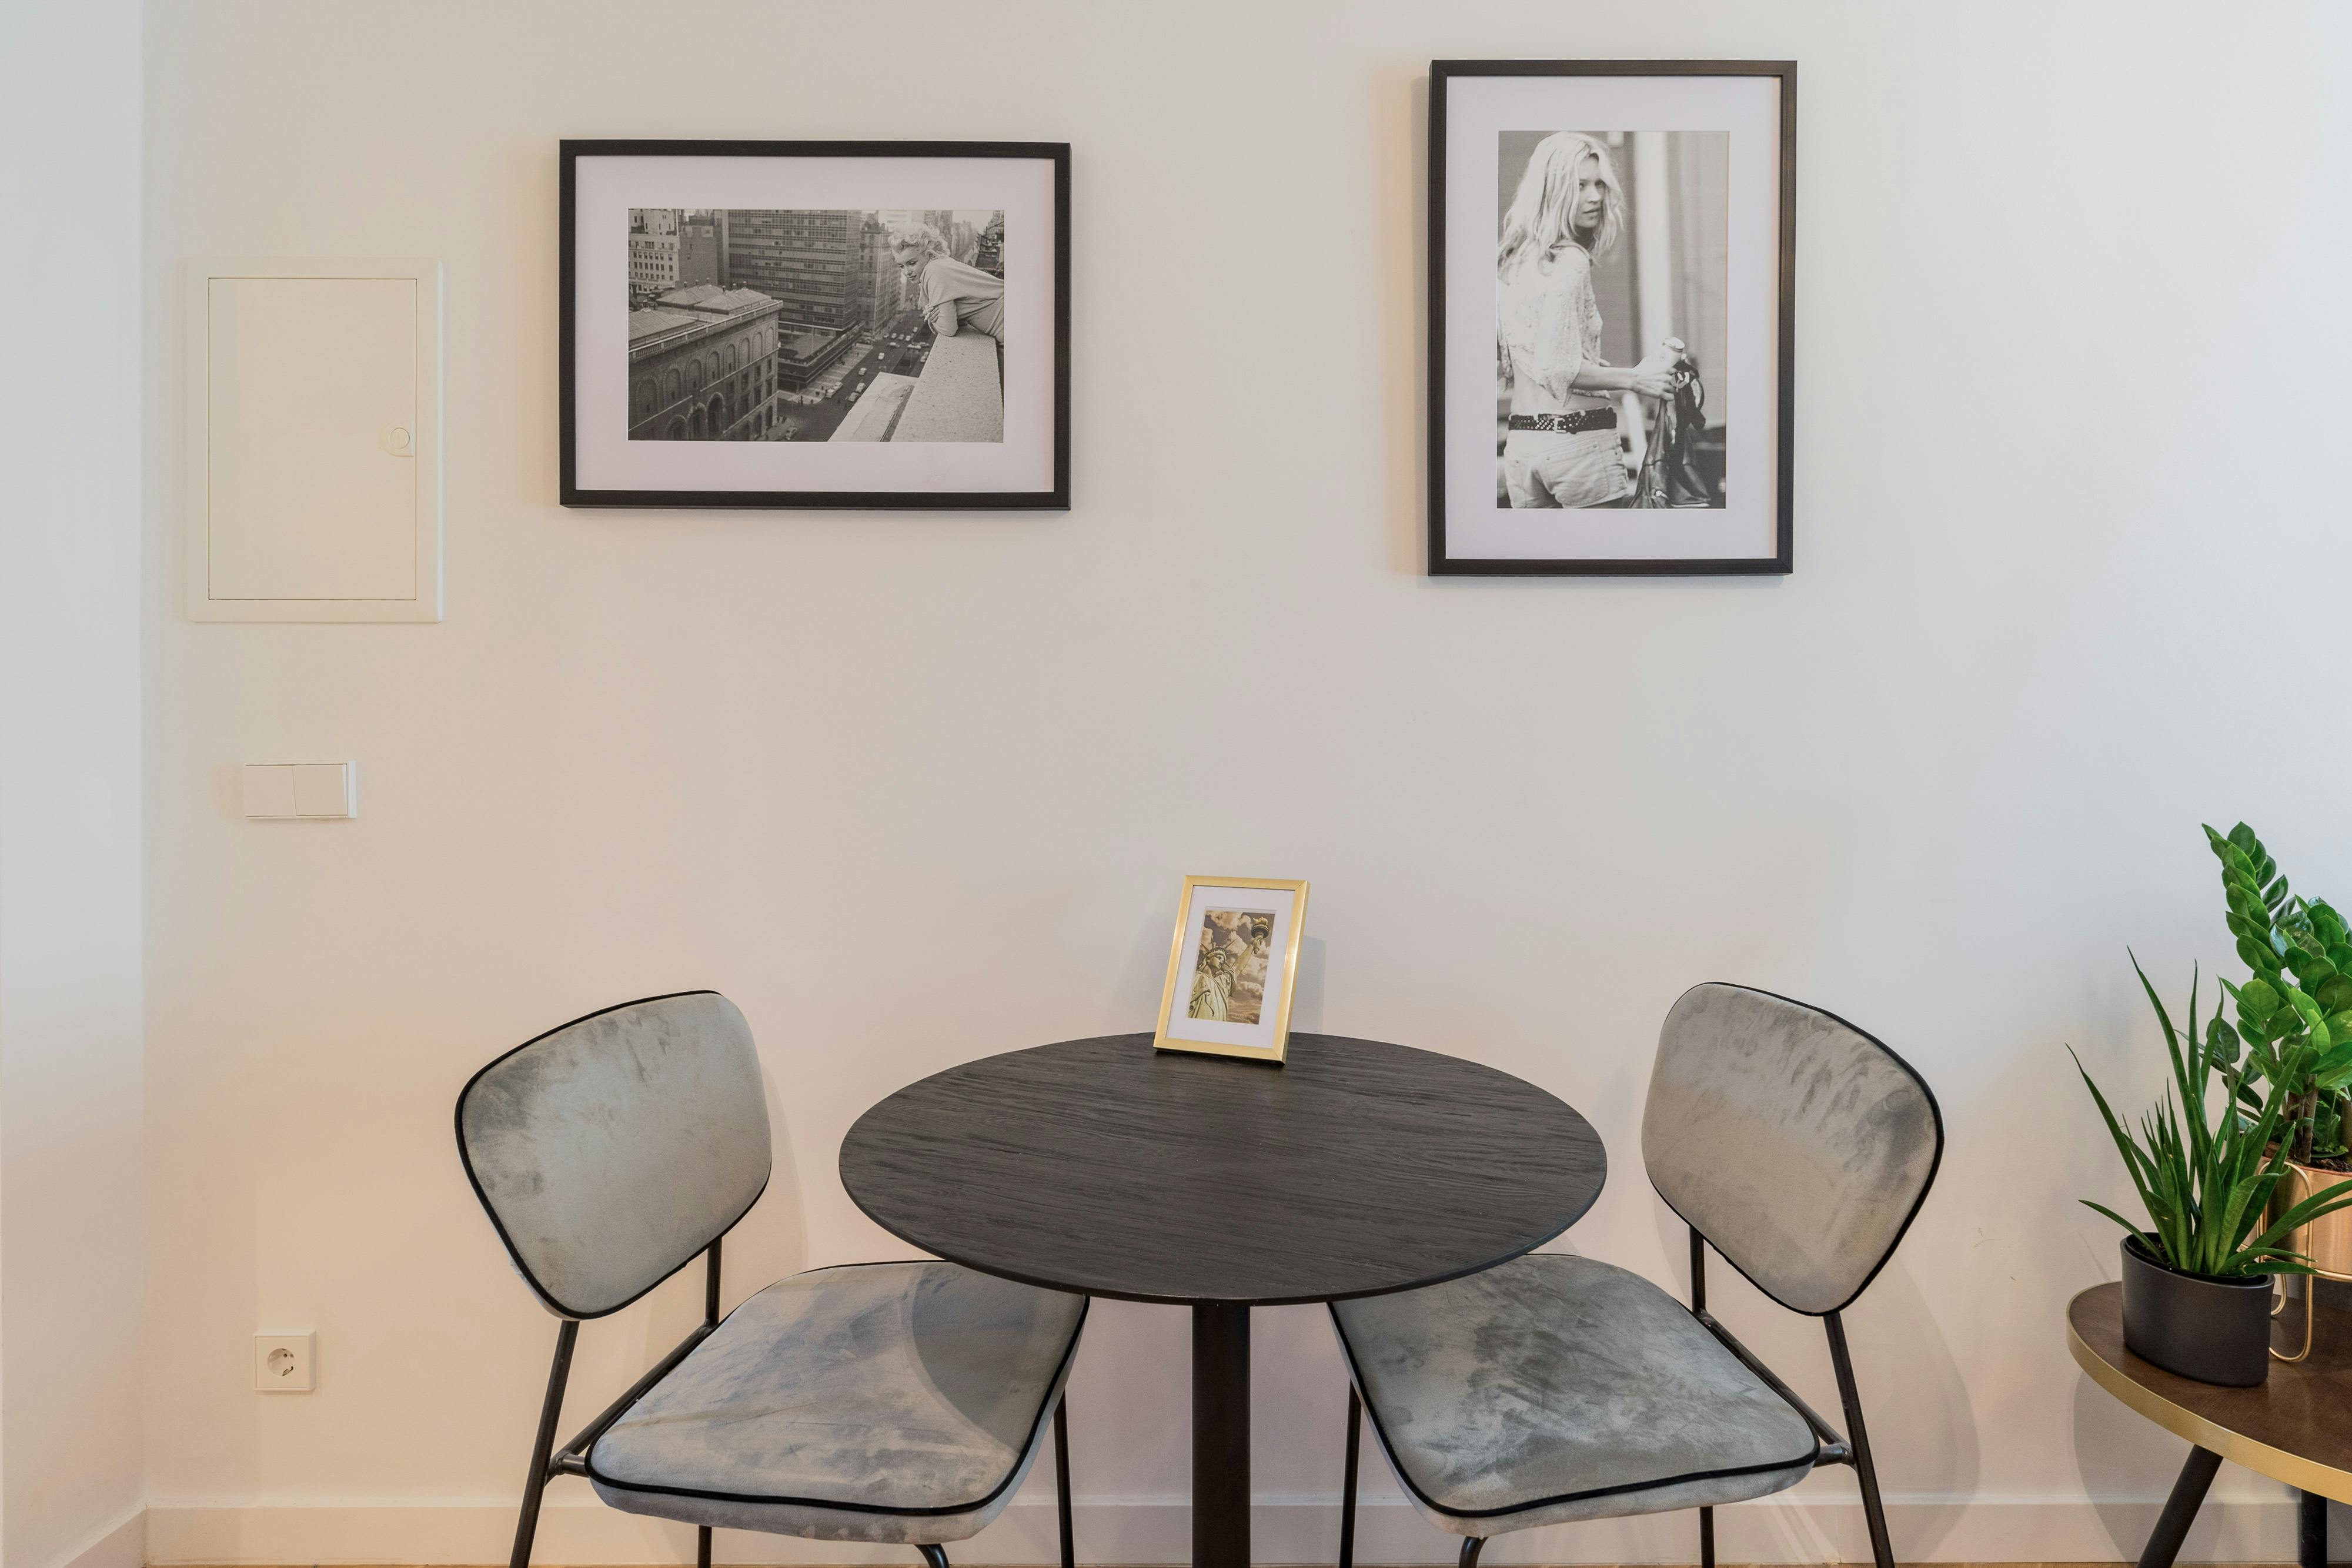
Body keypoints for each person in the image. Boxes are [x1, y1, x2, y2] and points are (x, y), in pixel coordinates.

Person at [1496, 133, 1686, 509]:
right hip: (1577, 445)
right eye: (1581, 185)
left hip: (1522, 447)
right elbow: (1556, 367)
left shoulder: (1511, 260)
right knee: (1605, 548)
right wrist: (1636, 379)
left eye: (1600, 184)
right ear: (1552, 190)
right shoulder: (1571, 260)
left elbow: (1521, 361)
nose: (1596, 196)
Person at [889, 222, 1004, 343]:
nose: (907, 272)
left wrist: (932, 318)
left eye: (912, 263)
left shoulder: (935, 271)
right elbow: (961, 321)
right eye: (901, 266)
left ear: (929, 254)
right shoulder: (941, 264)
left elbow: (948, 329)